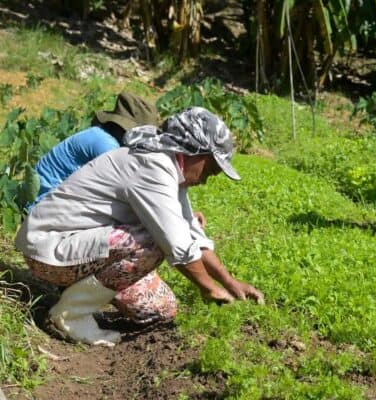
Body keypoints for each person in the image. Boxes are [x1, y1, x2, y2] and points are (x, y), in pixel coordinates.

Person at [15, 107, 264, 347]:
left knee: (159, 309)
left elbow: (191, 234)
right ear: (192, 150)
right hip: (49, 249)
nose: (205, 180)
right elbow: (177, 244)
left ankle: (76, 294)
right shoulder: (153, 166)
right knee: (154, 241)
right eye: (209, 170)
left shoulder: (170, 169)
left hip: (79, 248)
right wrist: (209, 289)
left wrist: (230, 283)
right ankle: (69, 316)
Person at [29, 91, 158, 208]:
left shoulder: (102, 135)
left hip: (49, 199)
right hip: (42, 204)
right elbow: (123, 187)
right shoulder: (105, 144)